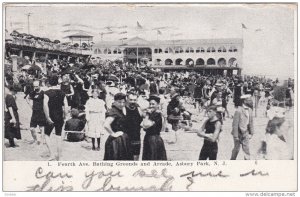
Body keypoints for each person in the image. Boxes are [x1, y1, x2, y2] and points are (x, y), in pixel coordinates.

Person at [43, 75, 68, 161]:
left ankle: (51, 154)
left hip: (51, 115)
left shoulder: (46, 93)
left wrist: (47, 117)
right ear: (57, 82)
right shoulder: (62, 93)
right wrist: (65, 116)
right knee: (58, 136)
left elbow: (45, 105)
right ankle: (60, 156)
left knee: (46, 135)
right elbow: (66, 106)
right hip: (59, 116)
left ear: (49, 83)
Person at [103, 93, 131, 160]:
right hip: (116, 141)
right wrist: (113, 134)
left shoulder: (119, 110)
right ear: (114, 101)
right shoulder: (113, 111)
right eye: (119, 102)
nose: (122, 104)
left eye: (123, 102)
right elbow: (106, 124)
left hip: (121, 139)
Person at [141, 95, 167, 160]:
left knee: (153, 158)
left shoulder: (156, 114)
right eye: (150, 104)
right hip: (148, 138)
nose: (151, 106)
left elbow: (145, 125)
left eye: (153, 104)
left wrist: (147, 115)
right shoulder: (152, 114)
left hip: (154, 139)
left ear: (158, 105)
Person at [230, 94, 254, 160]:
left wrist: (251, 133)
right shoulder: (238, 110)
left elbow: (251, 122)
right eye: (249, 100)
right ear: (244, 101)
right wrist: (235, 136)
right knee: (236, 149)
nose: (251, 101)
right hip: (238, 133)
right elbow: (235, 124)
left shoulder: (250, 110)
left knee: (246, 150)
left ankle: (247, 164)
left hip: (245, 132)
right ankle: (232, 160)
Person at [26, 80, 47, 145]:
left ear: (40, 85)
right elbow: (27, 98)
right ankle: (35, 140)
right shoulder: (32, 92)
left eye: (37, 86)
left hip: (41, 112)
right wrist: (30, 105)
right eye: (34, 86)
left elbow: (46, 102)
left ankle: (42, 140)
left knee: (41, 128)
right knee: (32, 128)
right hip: (34, 112)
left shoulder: (43, 93)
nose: (35, 88)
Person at [124, 92, 143, 160]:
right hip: (126, 137)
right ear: (127, 99)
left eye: (134, 100)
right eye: (131, 99)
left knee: (136, 157)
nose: (133, 102)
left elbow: (144, 119)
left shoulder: (138, 108)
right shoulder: (123, 108)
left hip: (136, 136)